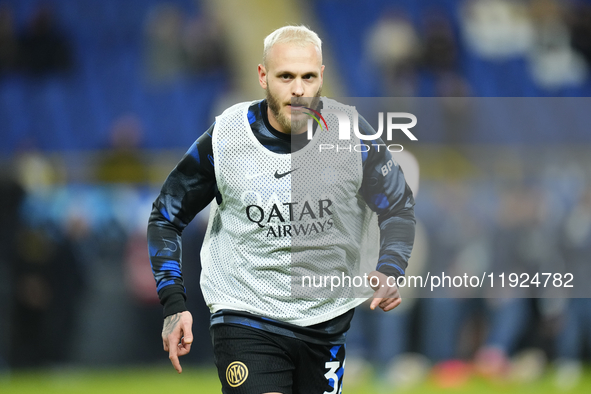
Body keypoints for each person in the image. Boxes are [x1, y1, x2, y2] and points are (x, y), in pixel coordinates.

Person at [147, 25, 415, 394]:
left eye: (308, 77)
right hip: (245, 314)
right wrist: (174, 304)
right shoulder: (227, 138)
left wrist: (391, 267)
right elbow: (165, 216)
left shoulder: (353, 136)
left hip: (325, 319)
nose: (298, 90)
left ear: (321, 77)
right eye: (285, 76)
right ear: (262, 76)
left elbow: (398, 206)